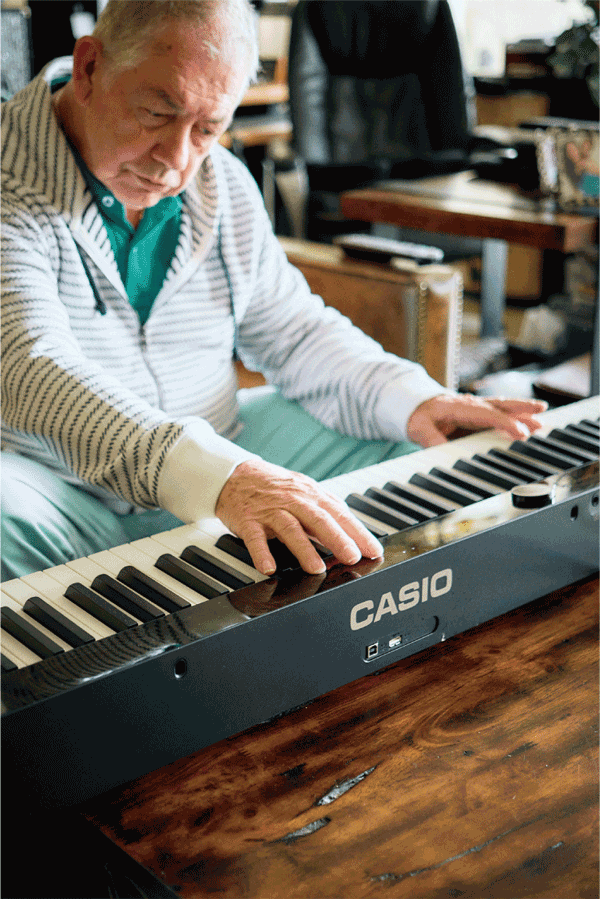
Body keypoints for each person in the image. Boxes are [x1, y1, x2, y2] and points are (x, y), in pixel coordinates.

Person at [1, 0, 547, 584]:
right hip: (60, 490)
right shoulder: (9, 181)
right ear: (88, 69)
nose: (177, 162)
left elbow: (291, 329)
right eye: (157, 114)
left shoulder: (221, 182)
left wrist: (412, 396)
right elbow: (32, 368)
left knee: (415, 439)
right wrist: (219, 479)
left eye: (209, 129)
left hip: (220, 438)